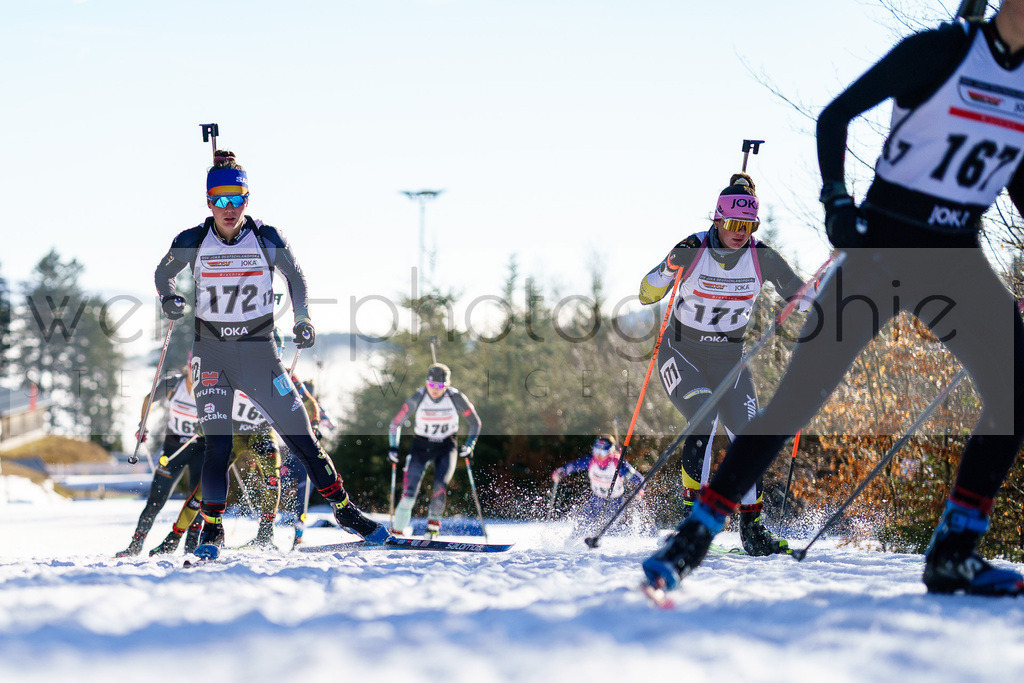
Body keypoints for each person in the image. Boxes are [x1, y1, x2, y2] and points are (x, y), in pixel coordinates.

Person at [644, 3, 1024, 596]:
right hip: (884, 249)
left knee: (1016, 389)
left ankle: (955, 551)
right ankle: (694, 533)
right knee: (796, 401)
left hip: (957, 260)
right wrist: (836, 203)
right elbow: (835, 117)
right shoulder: (943, 51)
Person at [153, 150, 388, 551]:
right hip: (212, 355)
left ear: (248, 199)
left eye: (237, 199)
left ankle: (347, 512)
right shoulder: (191, 240)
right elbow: (163, 272)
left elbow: (295, 277)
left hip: (260, 353)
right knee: (218, 444)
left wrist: (303, 318)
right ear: (208, 201)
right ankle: (212, 529)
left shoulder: (267, 237)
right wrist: (169, 297)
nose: (229, 209)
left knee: (303, 437)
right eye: (221, 200)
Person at [639, 172, 810, 555]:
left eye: (749, 225)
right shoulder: (693, 248)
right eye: (733, 223)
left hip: (729, 360)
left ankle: (752, 528)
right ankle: (691, 523)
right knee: (704, 416)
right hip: (683, 353)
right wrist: (668, 267)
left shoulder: (762, 256)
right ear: (716, 219)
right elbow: (646, 294)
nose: (740, 232)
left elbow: (801, 295)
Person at [115, 364, 206, 557]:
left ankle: (191, 546)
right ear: (188, 367)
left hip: (200, 449)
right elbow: (149, 399)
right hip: (174, 449)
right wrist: (143, 424)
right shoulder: (174, 383)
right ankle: (135, 545)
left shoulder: (209, 388)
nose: (197, 373)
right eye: (193, 368)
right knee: (156, 498)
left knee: (197, 499)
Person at [388, 363, 481, 538]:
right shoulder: (418, 397)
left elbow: (475, 422)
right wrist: (393, 447)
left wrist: (470, 445)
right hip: (421, 447)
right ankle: (396, 532)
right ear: (426, 383)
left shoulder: (456, 397)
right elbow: (395, 423)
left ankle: (432, 531)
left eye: (439, 386)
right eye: (431, 385)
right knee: (409, 493)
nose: (434, 390)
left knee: (440, 486)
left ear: (446, 385)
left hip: (446, 447)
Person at [550, 435, 646, 533]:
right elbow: (574, 466)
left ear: (610, 451)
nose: (598, 455)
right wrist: (561, 471)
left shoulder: (618, 463)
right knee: (580, 525)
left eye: (603, 452)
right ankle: (572, 544)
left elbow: (639, 479)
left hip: (614, 502)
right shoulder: (590, 460)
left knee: (606, 528)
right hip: (596, 499)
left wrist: (640, 489)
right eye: (596, 450)